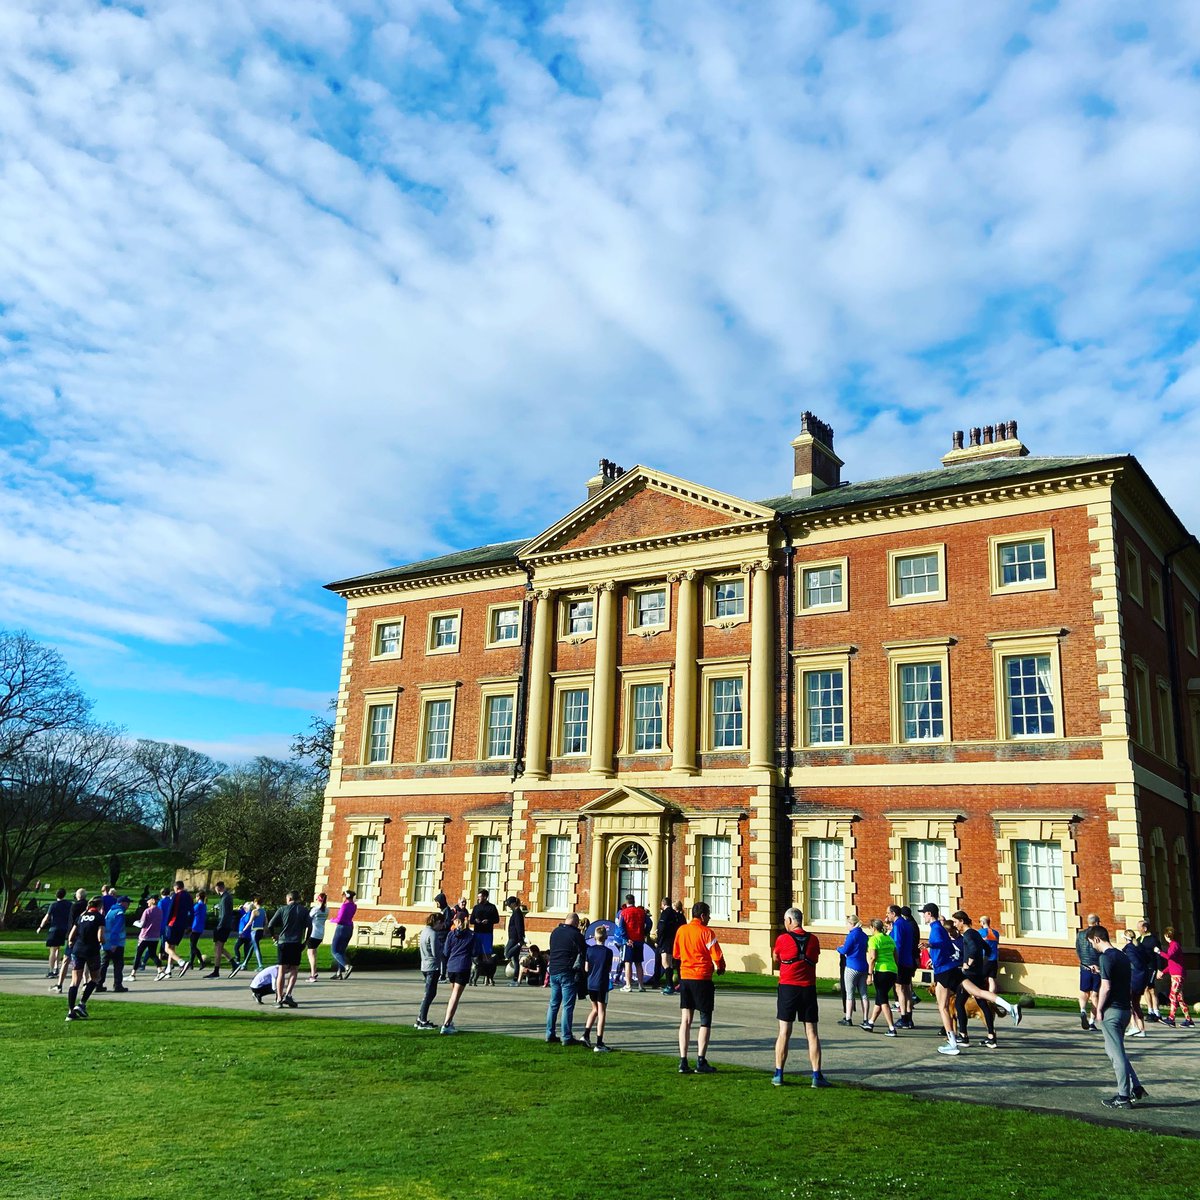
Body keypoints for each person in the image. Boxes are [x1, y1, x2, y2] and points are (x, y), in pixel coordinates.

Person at [1087, 924, 1146, 1108]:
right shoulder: (1121, 956)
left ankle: (1123, 1096)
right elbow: (1122, 981)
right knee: (1116, 1051)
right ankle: (1136, 1087)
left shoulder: (1105, 957)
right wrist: (1100, 970)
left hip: (1111, 1011)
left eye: (1091, 943)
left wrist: (1098, 1010)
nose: (1092, 947)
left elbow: (1106, 987)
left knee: (1116, 1056)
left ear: (1097, 939)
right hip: (1124, 1010)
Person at [772, 907, 829, 1087]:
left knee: (784, 1032)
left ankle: (779, 1073)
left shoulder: (782, 939)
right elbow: (816, 959)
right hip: (808, 989)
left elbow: (776, 957)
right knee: (812, 1033)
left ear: (790, 921)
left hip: (788, 987)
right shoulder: (813, 939)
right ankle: (816, 1075)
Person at [950, 911, 1020, 1049]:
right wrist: (981, 962)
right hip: (978, 973)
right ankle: (991, 1037)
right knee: (982, 1003)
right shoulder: (976, 933)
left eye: (956, 922)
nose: (955, 925)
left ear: (962, 921)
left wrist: (968, 963)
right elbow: (987, 949)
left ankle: (963, 1036)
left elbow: (974, 949)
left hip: (969, 974)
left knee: (959, 1003)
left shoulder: (968, 934)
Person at [673, 901, 726, 1074]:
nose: (709, 918)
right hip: (702, 978)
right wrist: (721, 968)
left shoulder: (682, 930)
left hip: (686, 977)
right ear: (702, 916)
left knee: (685, 1020)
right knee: (705, 1020)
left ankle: (683, 1060)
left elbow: (676, 954)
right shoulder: (707, 933)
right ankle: (701, 1060)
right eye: (708, 915)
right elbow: (717, 956)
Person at [920, 903, 962, 1056]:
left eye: (924, 913)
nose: (923, 916)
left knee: (943, 1007)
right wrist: (935, 959)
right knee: (974, 993)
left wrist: (928, 944)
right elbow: (949, 948)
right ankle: (1007, 1006)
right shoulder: (939, 928)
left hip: (943, 971)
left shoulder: (936, 928)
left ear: (929, 914)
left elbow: (941, 944)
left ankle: (952, 1042)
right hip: (945, 967)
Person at [546, 913, 588, 1046]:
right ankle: (566, 1036)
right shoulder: (576, 935)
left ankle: (549, 1033)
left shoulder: (555, 932)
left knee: (553, 1004)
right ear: (576, 923)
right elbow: (584, 952)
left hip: (554, 970)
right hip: (567, 972)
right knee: (567, 1006)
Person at [268, 891, 312, 1008]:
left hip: (283, 942)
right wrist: (305, 941)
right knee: (294, 970)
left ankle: (278, 998)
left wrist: (274, 935)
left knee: (281, 972)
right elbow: (310, 926)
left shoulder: (282, 909)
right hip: (296, 942)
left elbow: (270, 924)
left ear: (290, 898)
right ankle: (288, 994)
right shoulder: (303, 910)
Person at [64, 896, 105, 1021]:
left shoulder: (81, 916)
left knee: (75, 981)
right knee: (95, 977)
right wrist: (104, 942)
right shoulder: (99, 918)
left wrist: (72, 943)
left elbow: (71, 935)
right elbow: (100, 937)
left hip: (78, 949)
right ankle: (82, 1003)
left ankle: (70, 1012)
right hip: (92, 950)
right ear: (99, 906)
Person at [439, 911, 475, 1034]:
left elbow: (446, 952)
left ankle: (449, 1021)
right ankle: (446, 1023)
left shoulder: (450, 934)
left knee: (453, 995)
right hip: (463, 967)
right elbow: (475, 952)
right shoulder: (470, 935)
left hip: (451, 967)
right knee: (455, 997)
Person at [863, 918, 899, 1036]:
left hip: (881, 970)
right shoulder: (889, 938)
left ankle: (891, 1028)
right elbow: (895, 955)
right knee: (880, 997)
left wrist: (869, 974)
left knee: (883, 1000)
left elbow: (873, 957)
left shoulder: (873, 939)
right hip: (892, 970)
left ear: (873, 928)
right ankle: (871, 1022)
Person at [583, 923, 615, 1052]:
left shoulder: (589, 950)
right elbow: (608, 968)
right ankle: (599, 1042)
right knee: (601, 1012)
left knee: (594, 1009)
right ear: (606, 937)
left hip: (591, 983)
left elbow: (586, 968)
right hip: (602, 983)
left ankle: (585, 1034)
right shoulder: (608, 952)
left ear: (594, 937)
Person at [156, 880, 194, 979]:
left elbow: (171, 910)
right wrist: (189, 925)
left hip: (173, 923)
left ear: (176, 888)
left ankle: (181, 962)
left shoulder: (176, 896)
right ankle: (169, 969)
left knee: (166, 947)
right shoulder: (189, 897)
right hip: (182, 925)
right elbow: (191, 911)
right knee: (172, 946)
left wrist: (167, 923)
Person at [415, 912, 447, 1029]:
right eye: (442, 924)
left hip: (425, 965)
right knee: (429, 994)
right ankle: (422, 1019)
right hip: (432, 967)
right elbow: (435, 953)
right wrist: (443, 949)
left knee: (429, 993)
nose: (442, 927)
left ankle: (420, 1018)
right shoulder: (433, 934)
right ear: (438, 922)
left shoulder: (424, 931)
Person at [836, 916, 869, 1026]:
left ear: (851, 924)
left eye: (847, 924)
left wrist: (839, 948)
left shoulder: (852, 935)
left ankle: (848, 1018)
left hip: (852, 966)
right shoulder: (864, 936)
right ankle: (865, 1019)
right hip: (863, 966)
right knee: (864, 994)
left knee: (849, 993)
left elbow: (845, 949)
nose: (846, 926)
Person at [887, 904, 916, 1029]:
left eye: (888, 913)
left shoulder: (898, 925)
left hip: (901, 961)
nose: (887, 916)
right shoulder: (907, 924)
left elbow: (897, 944)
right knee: (907, 989)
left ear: (893, 913)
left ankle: (904, 1017)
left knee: (900, 989)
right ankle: (909, 1018)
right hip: (909, 960)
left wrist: (895, 961)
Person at [1158, 927, 1193, 1027]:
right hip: (1176, 974)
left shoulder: (1174, 945)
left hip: (1178, 975)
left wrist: (1159, 952)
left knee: (1172, 995)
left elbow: (1169, 957)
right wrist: (1163, 972)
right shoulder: (1173, 945)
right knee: (1179, 997)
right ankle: (1188, 1020)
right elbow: (1172, 964)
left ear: (1166, 936)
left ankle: (1171, 1018)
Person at [97, 894, 131, 993]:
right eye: (127, 903)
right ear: (123, 903)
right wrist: (114, 943)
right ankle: (117, 985)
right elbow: (117, 928)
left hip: (105, 942)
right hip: (116, 943)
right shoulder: (120, 913)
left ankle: (98, 984)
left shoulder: (110, 911)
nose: (128, 905)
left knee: (104, 965)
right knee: (118, 965)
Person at [205, 880, 239, 978]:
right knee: (218, 947)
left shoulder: (225, 898)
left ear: (219, 887)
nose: (215, 890)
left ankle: (217, 970)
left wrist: (220, 926)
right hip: (225, 925)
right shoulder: (226, 897)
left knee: (218, 947)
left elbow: (224, 914)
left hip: (223, 926)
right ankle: (233, 964)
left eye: (216, 888)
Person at [618, 893, 650, 993]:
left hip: (629, 941)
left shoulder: (624, 912)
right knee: (638, 963)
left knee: (628, 963)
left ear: (626, 902)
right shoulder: (641, 912)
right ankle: (641, 985)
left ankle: (628, 985)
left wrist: (626, 938)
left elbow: (621, 926)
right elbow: (649, 923)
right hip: (639, 939)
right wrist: (645, 932)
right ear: (634, 901)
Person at [1075, 912, 1102, 1030]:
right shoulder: (1099, 934)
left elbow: (1078, 950)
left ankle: (1082, 1010)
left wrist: (1083, 962)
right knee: (1095, 995)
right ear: (1096, 922)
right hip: (1097, 967)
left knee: (1084, 992)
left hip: (1084, 966)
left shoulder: (1080, 935)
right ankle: (1092, 1022)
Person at [38, 888, 73, 978]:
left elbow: (47, 918)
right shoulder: (69, 904)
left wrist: (40, 927)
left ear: (56, 895)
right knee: (58, 948)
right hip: (64, 929)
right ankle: (57, 968)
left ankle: (51, 969)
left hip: (54, 928)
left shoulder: (53, 905)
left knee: (52, 950)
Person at [1121, 930, 1150, 1037]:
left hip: (1134, 978)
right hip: (1142, 978)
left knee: (1130, 1003)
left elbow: (1136, 964)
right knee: (1135, 1003)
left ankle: (1134, 1027)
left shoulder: (1129, 949)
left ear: (1125, 939)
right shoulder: (1139, 946)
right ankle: (1141, 1029)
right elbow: (1147, 959)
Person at [656, 897, 684, 995]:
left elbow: (662, 927)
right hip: (673, 940)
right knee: (670, 963)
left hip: (666, 941)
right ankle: (670, 984)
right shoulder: (675, 914)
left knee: (665, 962)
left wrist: (658, 940)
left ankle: (669, 985)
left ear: (663, 904)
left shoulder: (666, 913)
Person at [1137, 919, 1163, 1022]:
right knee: (1145, 989)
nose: (1138, 930)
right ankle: (1150, 1010)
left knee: (1151, 988)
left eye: (1139, 928)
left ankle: (1157, 1012)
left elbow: (1158, 955)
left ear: (1145, 928)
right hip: (1142, 967)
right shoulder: (1139, 940)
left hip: (1151, 967)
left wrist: (1159, 969)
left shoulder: (1153, 940)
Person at [130, 897, 162, 980]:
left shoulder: (147, 911)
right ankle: (160, 971)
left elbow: (142, 924)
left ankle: (133, 974)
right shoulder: (160, 911)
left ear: (151, 901)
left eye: (148, 900)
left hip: (145, 936)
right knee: (153, 954)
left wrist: (135, 923)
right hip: (155, 936)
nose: (147, 902)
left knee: (138, 954)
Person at [329, 889, 357, 980]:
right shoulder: (354, 906)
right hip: (349, 928)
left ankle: (347, 966)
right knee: (341, 951)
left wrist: (332, 920)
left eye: (343, 896)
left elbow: (340, 919)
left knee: (334, 951)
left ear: (346, 897)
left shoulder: (344, 906)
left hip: (342, 928)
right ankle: (339, 973)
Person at [470, 888, 501, 964]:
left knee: (486, 954)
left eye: (479, 897)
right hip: (477, 933)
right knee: (476, 953)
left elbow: (497, 919)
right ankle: (477, 972)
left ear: (485, 897)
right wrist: (475, 921)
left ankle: (487, 972)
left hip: (487, 934)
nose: (478, 898)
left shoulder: (492, 907)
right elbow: (471, 920)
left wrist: (488, 921)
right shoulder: (476, 907)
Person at [306, 893, 328, 982]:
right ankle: (314, 972)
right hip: (320, 934)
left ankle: (313, 973)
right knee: (313, 953)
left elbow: (308, 919)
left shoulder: (315, 909)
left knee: (311, 954)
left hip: (313, 933)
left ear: (318, 900)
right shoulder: (327, 910)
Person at [503, 896, 525, 986]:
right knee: (515, 959)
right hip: (513, 937)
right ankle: (515, 979)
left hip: (515, 938)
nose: (508, 906)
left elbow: (519, 926)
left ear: (513, 904)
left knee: (507, 954)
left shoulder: (517, 913)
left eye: (509, 904)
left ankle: (519, 944)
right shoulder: (516, 912)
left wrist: (520, 940)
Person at [979, 915, 1001, 994]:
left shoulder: (980, 932)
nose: (979, 923)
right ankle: (992, 997)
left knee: (980, 978)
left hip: (985, 958)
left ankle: (978, 995)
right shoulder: (996, 933)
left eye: (980, 921)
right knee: (991, 979)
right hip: (994, 959)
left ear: (983, 922)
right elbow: (996, 943)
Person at [187, 889, 208, 971]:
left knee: (193, 946)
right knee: (193, 945)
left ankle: (202, 962)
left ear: (198, 897)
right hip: (200, 927)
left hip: (195, 927)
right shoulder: (204, 905)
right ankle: (191, 963)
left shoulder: (198, 906)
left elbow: (190, 913)